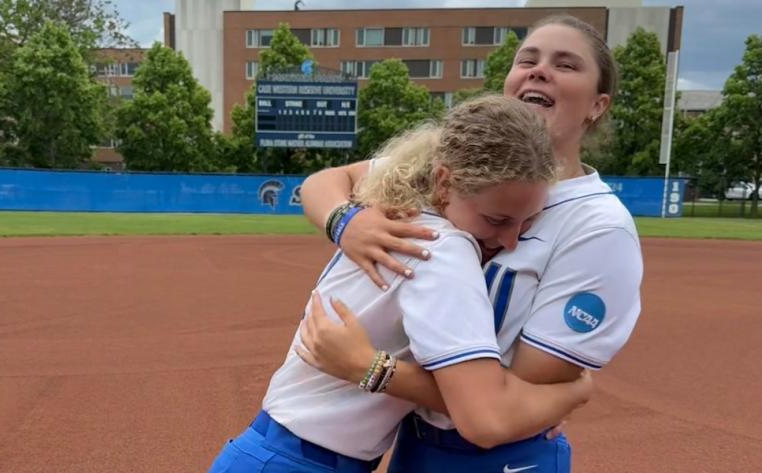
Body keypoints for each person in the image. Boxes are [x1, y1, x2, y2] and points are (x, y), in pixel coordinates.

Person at [297, 15, 643, 473]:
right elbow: (327, 182)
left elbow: (505, 404)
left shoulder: (598, 226)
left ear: (598, 105)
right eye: (528, 59)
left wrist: (373, 368)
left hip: (499, 458)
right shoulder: (461, 164)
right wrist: (346, 221)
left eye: (566, 64)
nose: (539, 70)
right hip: (415, 446)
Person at [207, 95, 593, 473]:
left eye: (528, 222)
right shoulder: (441, 249)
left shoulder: (401, 205)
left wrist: (344, 221)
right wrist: (571, 393)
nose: (511, 241)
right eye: (497, 220)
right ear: (444, 182)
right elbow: (484, 419)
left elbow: (329, 181)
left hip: (277, 453)